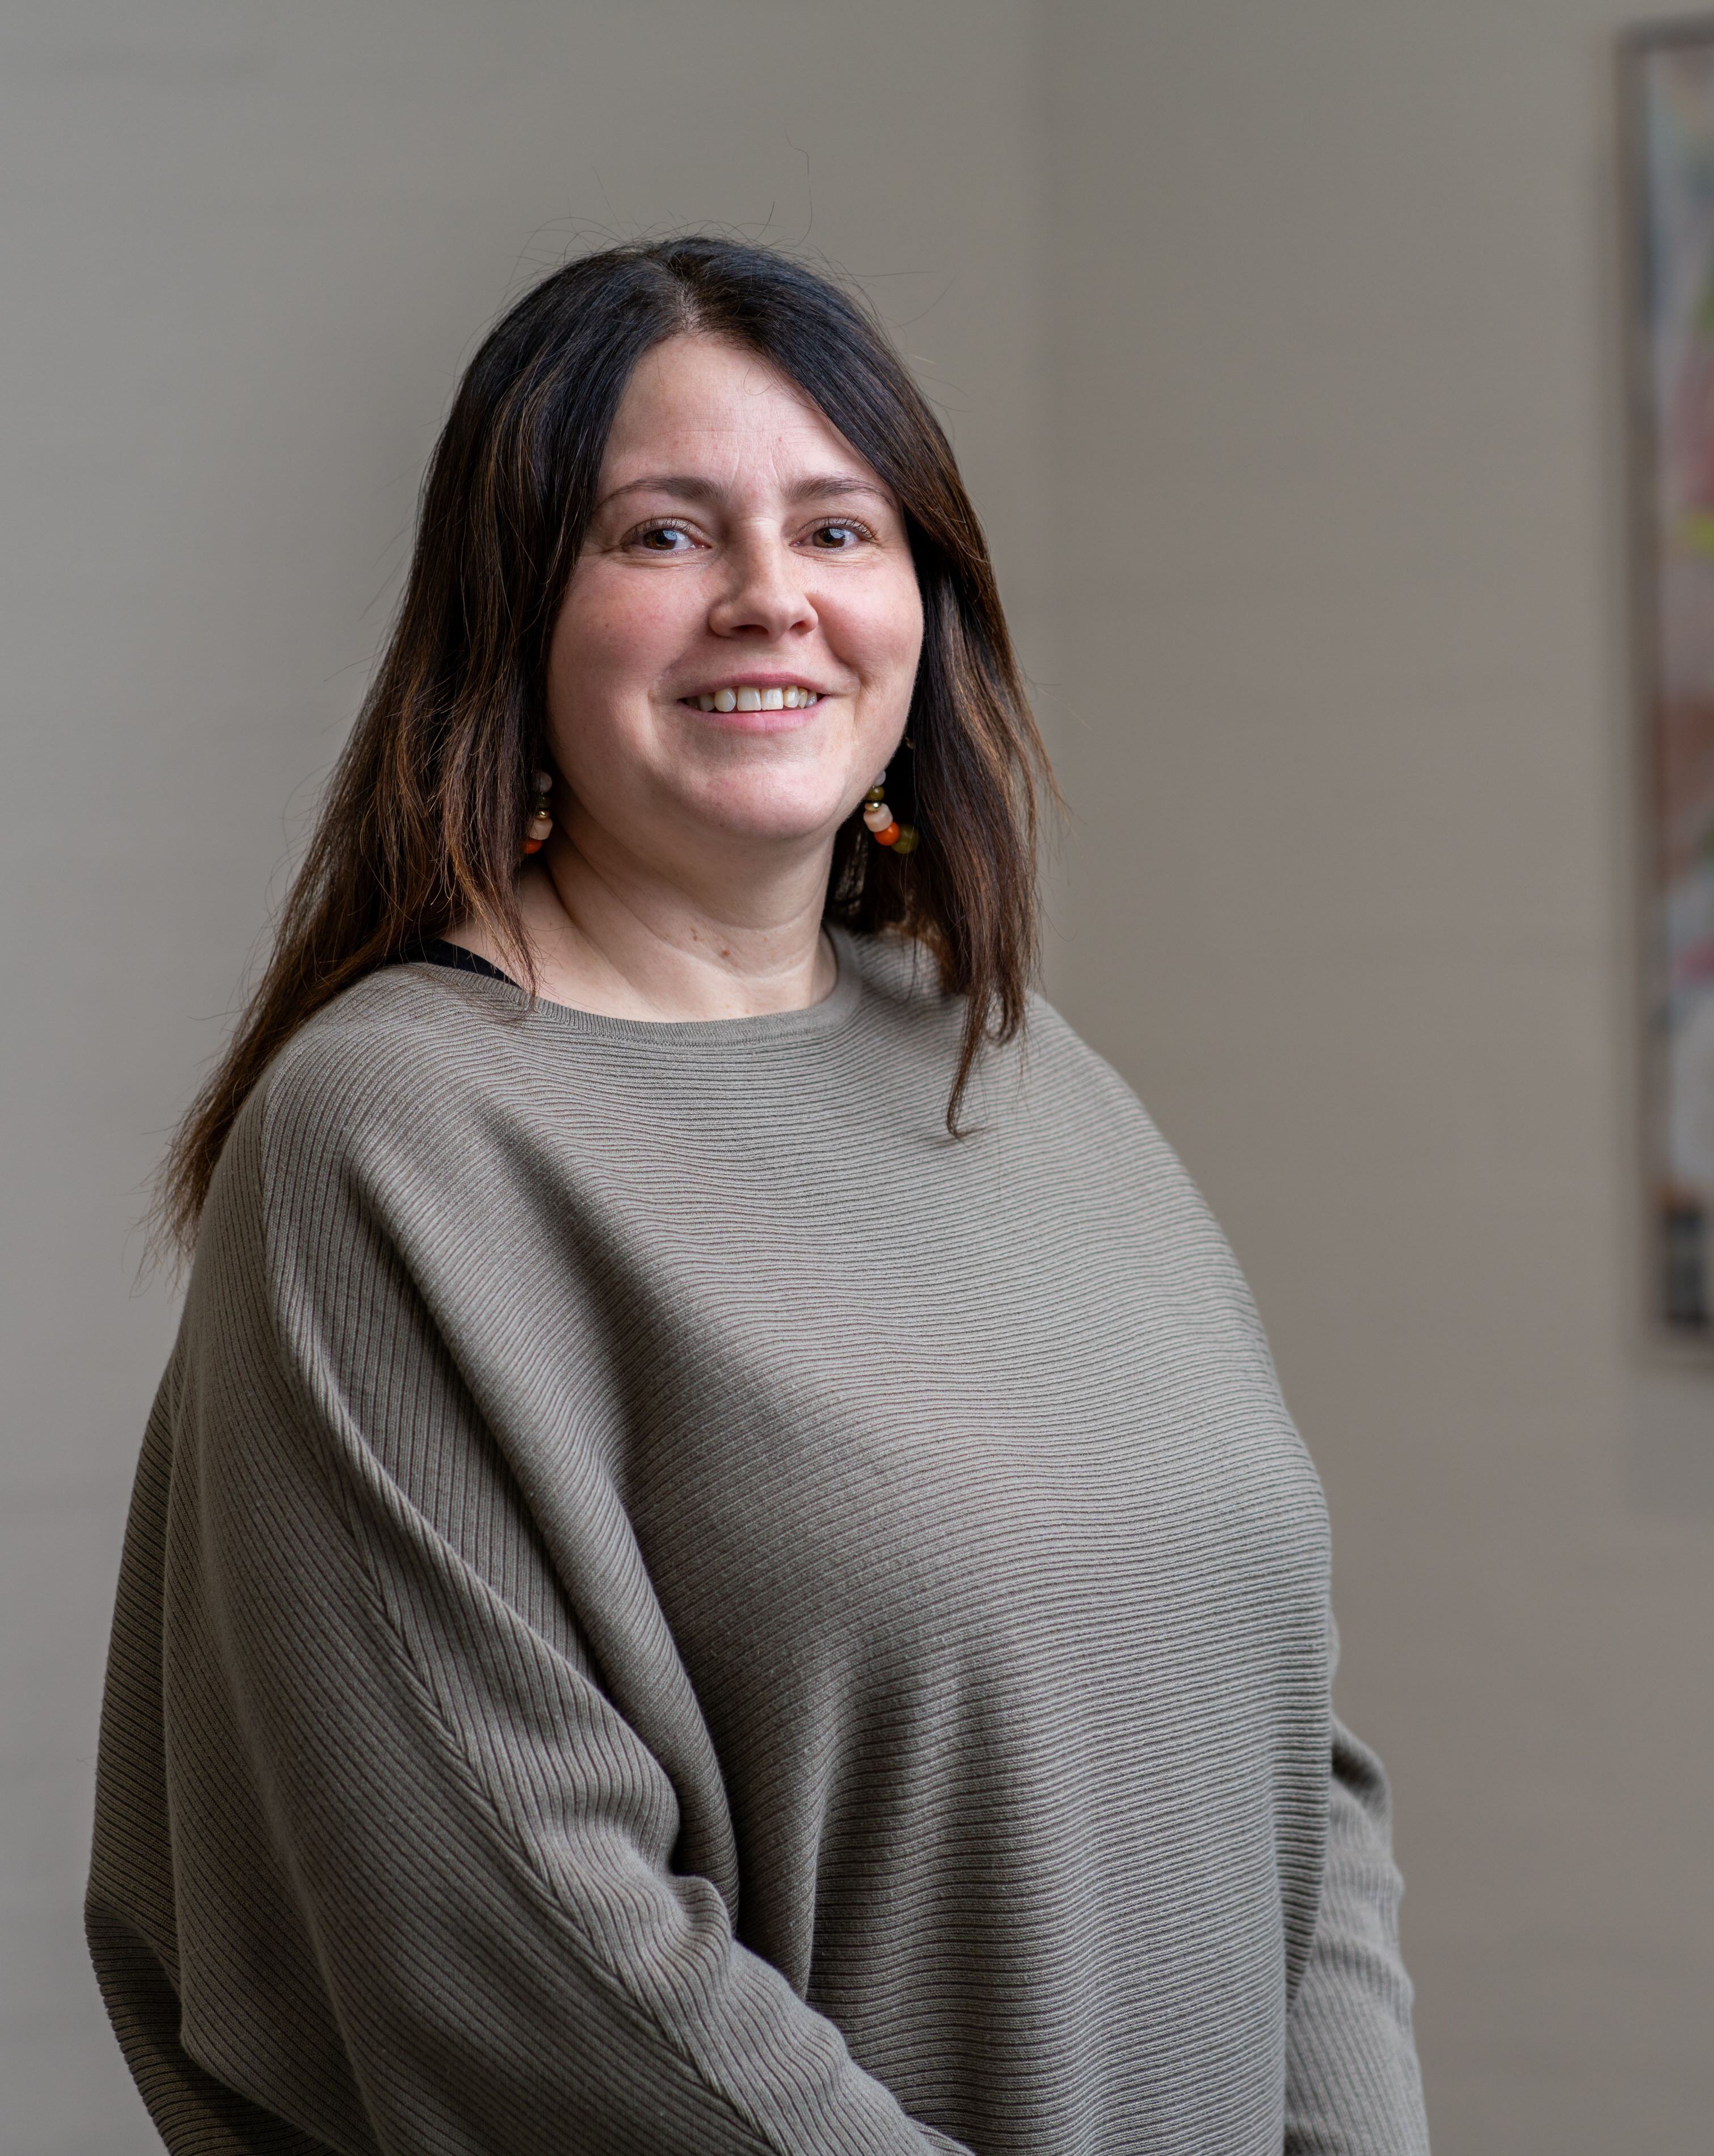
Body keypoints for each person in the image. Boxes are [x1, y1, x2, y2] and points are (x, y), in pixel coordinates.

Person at [86, 236, 1428, 2156]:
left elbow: (1285, 1745)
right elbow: (523, 1946)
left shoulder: (1027, 1072)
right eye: (660, 533)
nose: (769, 600)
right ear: (513, 613)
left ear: (923, 605)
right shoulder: (393, 1141)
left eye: (838, 527)